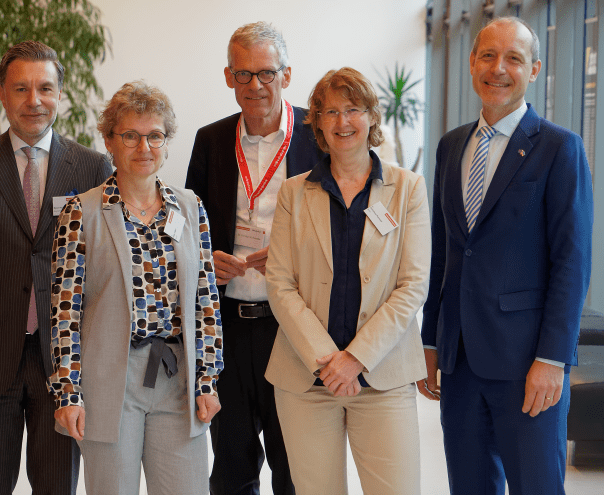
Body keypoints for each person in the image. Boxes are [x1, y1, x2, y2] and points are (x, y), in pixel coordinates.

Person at [0, 41, 111, 494]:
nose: (34, 100)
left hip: (64, 365)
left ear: (60, 94)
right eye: (21, 88)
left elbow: (107, 271)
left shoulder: (93, 167)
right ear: (3, 96)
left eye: (45, 88)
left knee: (56, 486)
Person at [420, 17, 593, 495]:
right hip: (459, 363)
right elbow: (445, 253)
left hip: (527, 364)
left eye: (513, 58)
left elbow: (572, 264)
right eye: (488, 56)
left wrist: (553, 358)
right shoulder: (451, 146)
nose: (499, 68)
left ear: (533, 69)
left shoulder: (561, 148)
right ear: (473, 62)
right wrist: (431, 342)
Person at [49, 81, 223, 495]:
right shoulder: (82, 212)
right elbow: (65, 312)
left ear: (166, 142)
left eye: (155, 136)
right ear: (110, 141)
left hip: (176, 375)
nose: (144, 147)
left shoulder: (190, 207)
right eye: (130, 135)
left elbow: (205, 299)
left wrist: (206, 380)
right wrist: (68, 392)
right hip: (111, 378)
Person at [265, 67, 430, 494]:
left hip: (383, 376)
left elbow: (412, 286)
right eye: (331, 111)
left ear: (372, 116)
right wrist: (329, 359)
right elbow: (280, 285)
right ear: (316, 121)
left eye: (353, 109)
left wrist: (354, 358)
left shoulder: (407, 189)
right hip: (307, 379)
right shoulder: (294, 192)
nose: (343, 122)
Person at [184, 21, 324, 495]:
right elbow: (190, 229)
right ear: (228, 77)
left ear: (287, 74)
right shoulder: (211, 140)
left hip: (294, 328)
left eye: (266, 73)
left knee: (295, 468)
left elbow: (338, 230)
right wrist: (208, 258)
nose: (255, 86)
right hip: (228, 326)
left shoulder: (318, 135)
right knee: (230, 468)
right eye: (243, 75)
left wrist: (291, 255)